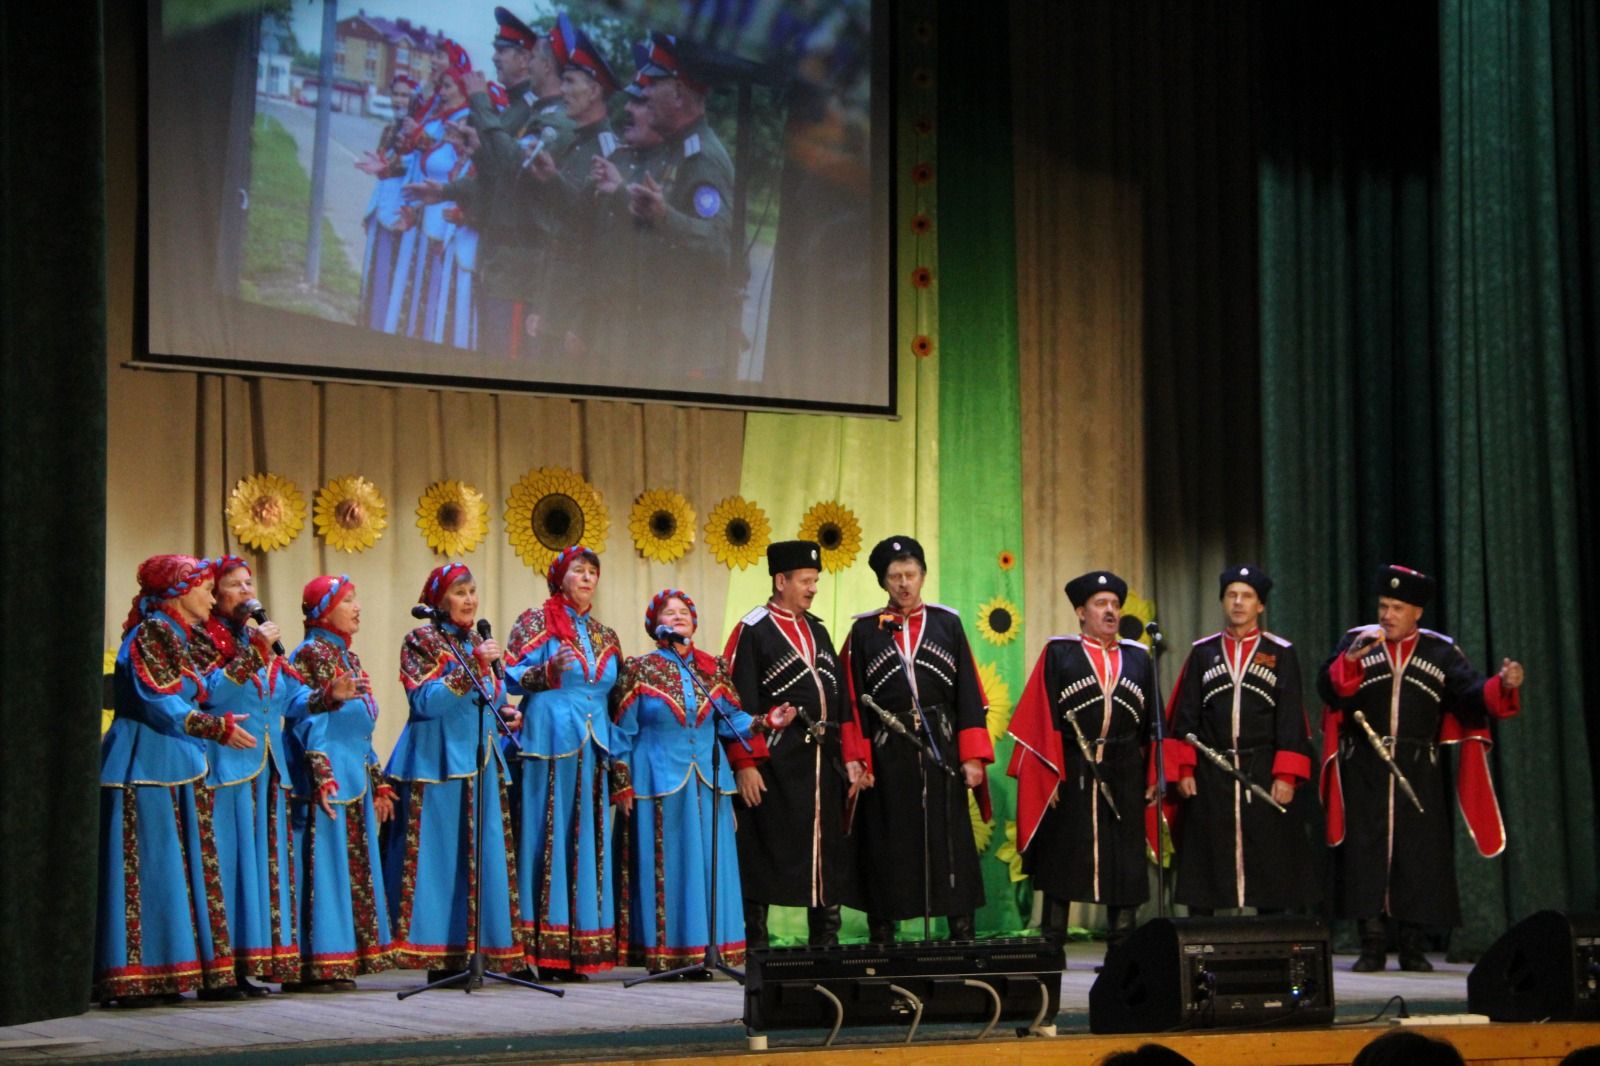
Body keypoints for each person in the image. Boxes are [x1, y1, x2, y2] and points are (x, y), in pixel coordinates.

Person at [1317, 564, 1523, 972]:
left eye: (1396, 608)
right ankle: (1372, 943)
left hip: (1418, 766)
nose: (1387, 615)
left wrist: (1504, 685)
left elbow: (1471, 697)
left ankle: (1411, 945)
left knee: (1417, 855)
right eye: (1383, 605)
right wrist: (1351, 660)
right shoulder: (1357, 641)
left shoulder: (1441, 651)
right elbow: (1328, 688)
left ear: (1417, 613)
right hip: (1365, 765)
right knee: (1365, 852)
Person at [96, 556, 256, 1006]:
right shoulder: (151, 633)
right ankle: (136, 975)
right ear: (179, 592)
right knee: (147, 869)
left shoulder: (179, 636)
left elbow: (200, 689)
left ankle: (167, 972)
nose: (210, 596)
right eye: (204, 587)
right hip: (145, 762)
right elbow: (157, 700)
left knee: (174, 872)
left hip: (175, 763)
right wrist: (214, 727)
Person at [610, 590, 787, 974]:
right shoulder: (639, 668)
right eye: (668, 613)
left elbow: (731, 721)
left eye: (683, 612)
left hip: (707, 780)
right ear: (655, 625)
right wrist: (620, 781)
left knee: (708, 865)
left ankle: (709, 951)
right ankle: (668, 954)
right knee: (669, 866)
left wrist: (765, 721)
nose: (677, 618)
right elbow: (622, 732)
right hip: (657, 779)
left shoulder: (713, 668)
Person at [841, 535, 991, 943]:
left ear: (923, 576)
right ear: (883, 582)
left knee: (950, 842)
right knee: (887, 843)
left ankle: (962, 936)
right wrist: (859, 759)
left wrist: (973, 756)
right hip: (888, 756)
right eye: (895, 577)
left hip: (942, 750)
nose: (904, 584)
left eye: (910, 574)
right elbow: (850, 702)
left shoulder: (948, 623)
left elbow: (969, 693)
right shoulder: (863, 632)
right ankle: (883, 937)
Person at [386, 564, 526, 980]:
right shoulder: (421, 640)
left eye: (472, 591)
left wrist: (504, 710)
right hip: (436, 762)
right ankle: (439, 957)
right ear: (439, 599)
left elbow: (491, 693)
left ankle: (478, 954)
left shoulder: (476, 641)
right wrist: (474, 667)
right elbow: (425, 701)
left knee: (482, 860)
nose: (469, 600)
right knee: (441, 860)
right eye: (460, 592)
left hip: (481, 760)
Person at [723, 540, 865, 948]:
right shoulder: (753, 630)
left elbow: (843, 702)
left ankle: (826, 944)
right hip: (774, 766)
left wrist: (852, 758)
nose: (813, 588)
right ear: (780, 580)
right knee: (763, 851)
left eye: (815, 580)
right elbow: (736, 702)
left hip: (821, 766)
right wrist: (744, 764)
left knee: (826, 853)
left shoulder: (817, 629)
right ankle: (757, 948)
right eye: (805, 580)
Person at [1009, 571, 1154, 957]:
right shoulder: (1060, 653)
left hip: (1124, 773)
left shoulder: (1139, 657)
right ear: (1080, 611)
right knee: (1062, 868)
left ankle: (1121, 965)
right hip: (1069, 770)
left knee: (1124, 872)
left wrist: (1154, 775)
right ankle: (1049, 966)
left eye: (1114, 605)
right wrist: (1048, 776)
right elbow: (1039, 719)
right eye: (1100, 604)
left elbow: (1154, 726)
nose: (1110, 611)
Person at [186, 555, 311, 996]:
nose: (247, 593)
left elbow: (285, 699)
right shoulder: (200, 638)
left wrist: (325, 699)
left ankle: (244, 965)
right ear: (214, 594)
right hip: (223, 763)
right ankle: (216, 972)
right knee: (225, 866)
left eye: (248, 583)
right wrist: (253, 653)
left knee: (255, 869)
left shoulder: (252, 638)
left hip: (264, 766)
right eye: (235, 585)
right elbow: (209, 695)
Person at [1165, 565, 1314, 914]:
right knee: (1207, 853)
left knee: (1268, 854)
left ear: (1260, 606)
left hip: (1262, 769)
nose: (1238, 602)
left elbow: (1291, 717)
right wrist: (1185, 768)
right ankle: (1202, 939)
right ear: (1222, 602)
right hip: (1210, 770)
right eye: (1231, 595)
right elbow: (1186, 716)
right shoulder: (1203, 653)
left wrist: (1286, 775)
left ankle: (1268, 936)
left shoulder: (1281, 653)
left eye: (1246, 596)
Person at [505, 545, 623, 979]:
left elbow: (616, 693)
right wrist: (547, 671)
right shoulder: (535, 621)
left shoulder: (605, 634)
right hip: (549, 737)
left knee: (585, 841)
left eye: (594, 571)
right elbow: (509, 675)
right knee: (543, 837)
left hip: (593, 744)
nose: (588, 577)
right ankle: (532, 950)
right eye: (579, 570)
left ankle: (574, 949)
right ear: (560, 576)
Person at [286, 574, 396, 989]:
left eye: (356, 598)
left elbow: (361, 727)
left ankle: (341, 959)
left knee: (347, 868)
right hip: (323, 780)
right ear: (323, 610)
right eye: (348, 599)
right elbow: (306, 720)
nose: (357, 606)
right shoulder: (310, 654)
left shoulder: (348, 659)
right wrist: (322, 774)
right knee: (322, 868)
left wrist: (378, 780)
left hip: (353, 777)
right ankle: (314, 965)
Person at [629, 31, 740, 378]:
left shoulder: (701, 156)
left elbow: (719, 245)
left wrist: (664, 216)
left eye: (653, 83)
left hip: (689, 345)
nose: (644, 92)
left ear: (677, 92)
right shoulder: (677, 148)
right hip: (667, 333)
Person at [523, 12, 621, 357]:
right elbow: (557, 232)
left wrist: (581, 322)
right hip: (552, 306)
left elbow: (600, 248)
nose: (562, 91)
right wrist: (539, 302)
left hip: (573, 318)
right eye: (562, 82)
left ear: (594, 90)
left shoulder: (610, 151)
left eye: (570, 82)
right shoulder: (577, 143)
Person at [356, 72, 419, 332]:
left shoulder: (415, 132)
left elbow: (409, 167)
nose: (399, 100)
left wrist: (387, 167)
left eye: (405, 95)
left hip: (398, 212)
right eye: (396, 94)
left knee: (392, 275)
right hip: (381, 207)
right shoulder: (389, 130)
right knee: (374, 272)